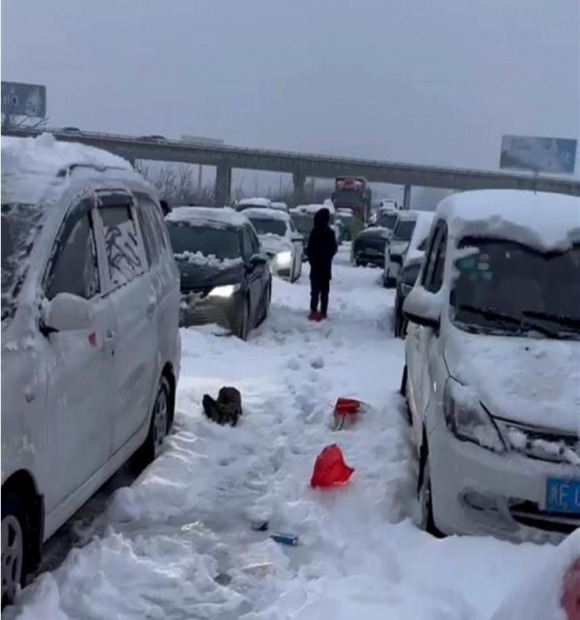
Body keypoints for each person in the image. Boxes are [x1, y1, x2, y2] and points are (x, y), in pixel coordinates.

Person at [307, 208, 337, 320]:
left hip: (315, 267)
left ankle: (313, 310)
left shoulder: (314, 232)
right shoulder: (330, 233)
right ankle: (323, 311)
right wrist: (328, 257)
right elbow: (334, 248)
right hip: (325, 267)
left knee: (315, 290)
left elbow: (309, 249)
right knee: (324, 291)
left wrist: (312, 260)